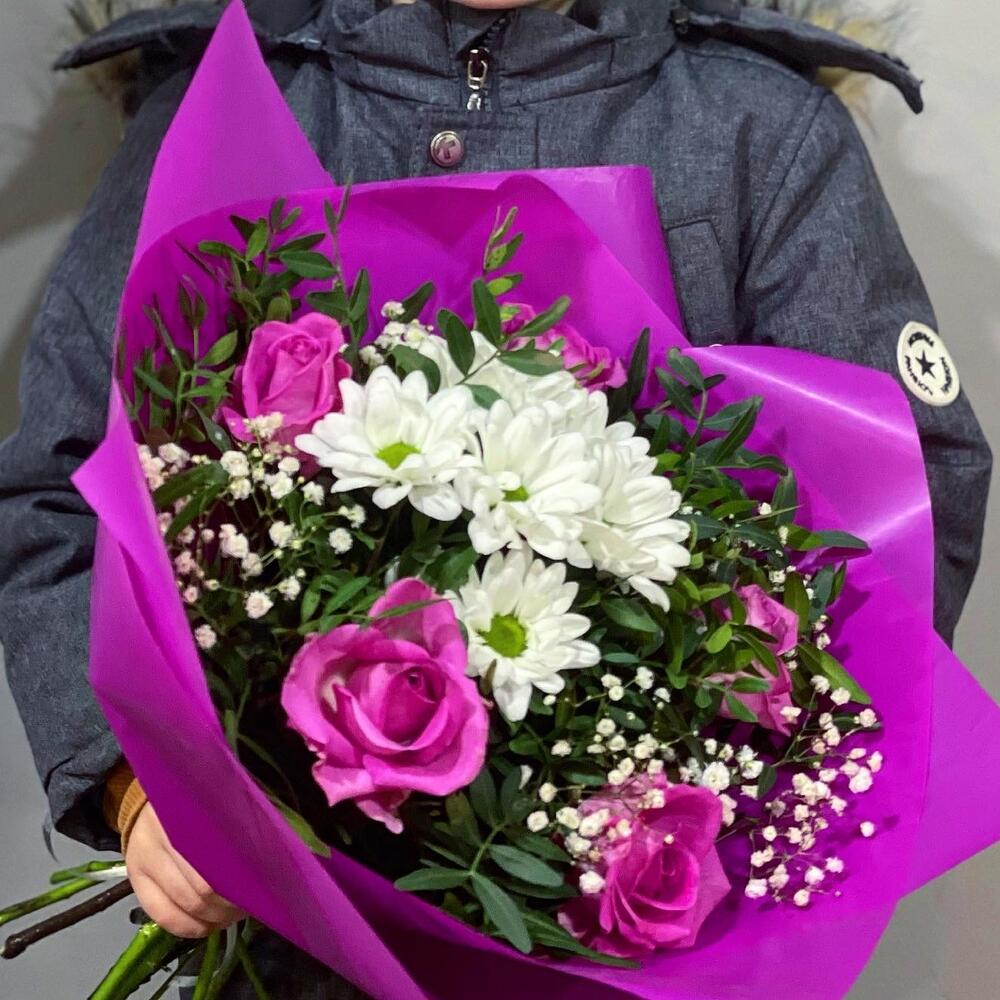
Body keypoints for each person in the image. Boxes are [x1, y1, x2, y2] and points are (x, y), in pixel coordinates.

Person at [0, 1, 991, 996]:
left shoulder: (760, 134)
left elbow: (907, 498)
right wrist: (138, 785)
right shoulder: (222, 107)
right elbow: (60, 483)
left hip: (623, 942)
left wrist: (691, 804)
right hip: (284, 950)